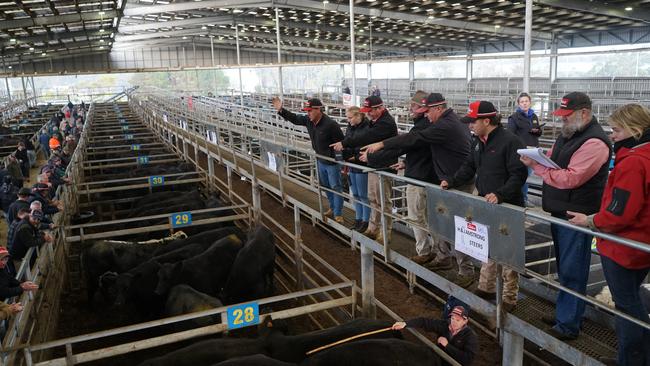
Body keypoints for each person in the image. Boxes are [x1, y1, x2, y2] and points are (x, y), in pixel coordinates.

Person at [520, 92, 611, 341]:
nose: (562, 122)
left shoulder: (595, 143)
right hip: (562, 211)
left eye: (566, 117)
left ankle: (569, 324)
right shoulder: (571, 134)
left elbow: (571, 178)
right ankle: (566, 315)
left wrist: (536, 166)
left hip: (577, 216)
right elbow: (556, 158)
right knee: (565, 268)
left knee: (573, 269)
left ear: (584, 113)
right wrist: (541, 157)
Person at [567, 104, 650, 365]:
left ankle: (633, 359)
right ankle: (631, 355)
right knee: (632, 300)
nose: (612, 135)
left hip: (624, 248)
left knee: (628, 309)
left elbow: (619, 214)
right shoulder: (644, 155)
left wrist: (590, 221)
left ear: (634, 130)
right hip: (642, 245)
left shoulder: (634, 162)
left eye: (616, 130)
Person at [362, 93, 474, 285]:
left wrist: (382, 144)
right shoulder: (449, 122)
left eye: (428, 111)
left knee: (457, 229)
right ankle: (444, 259)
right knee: (444, 225)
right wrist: (407, 163)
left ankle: (466, 271)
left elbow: (415, 138)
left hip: (457, 183)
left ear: (439, 108)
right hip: (450, 182)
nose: (427, 116)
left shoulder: (445, 125)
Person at [443, 101, 528, 312]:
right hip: (485, 202)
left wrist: (501, 194)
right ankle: (487, 285)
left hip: (507, 205)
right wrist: (452, 180)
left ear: (487, 121)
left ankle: (509, 296)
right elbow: (469, 166)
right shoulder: (478, 141)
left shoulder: (510, 142)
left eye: (473, 121)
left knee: (507, 252)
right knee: (487, 246)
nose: (470, 125)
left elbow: (519, 174)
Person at [365, 91, 439, 264]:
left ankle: (425, 251)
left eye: (414, 106)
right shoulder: (427, 126)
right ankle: (436, 252)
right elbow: (421, 151)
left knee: (417, 217)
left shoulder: (422, 127)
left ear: (423, 108)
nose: (410, 109)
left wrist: (374, 154)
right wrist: (407, 163)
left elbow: (405, 144)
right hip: (423, 175)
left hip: (420, 178)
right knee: (428, 218)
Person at [331, 96, 398, 243]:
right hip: (374, 165)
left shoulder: (385, 123)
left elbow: (366, 136)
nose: (368, 114)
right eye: (367, 111)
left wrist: (344, 143)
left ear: (379, 108)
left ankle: (385, 232)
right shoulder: (376, 121)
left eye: (371, 111)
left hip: (384, 166)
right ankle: (373, 228)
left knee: (383, 201)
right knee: (373, 199)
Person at [272, 97, 345, 223]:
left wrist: (339, 160)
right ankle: (333, 208)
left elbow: (341, 143)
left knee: (336, 186)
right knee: (326, 186)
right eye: (307, 111)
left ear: (318, 110)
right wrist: (281, 110)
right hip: (320, 159)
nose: (308, 113)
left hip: (331, 162)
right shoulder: (309, 121)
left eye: (310, 111)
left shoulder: (331, 124)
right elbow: (295, 119)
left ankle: (338, 213)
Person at [392, 305, 478, 365]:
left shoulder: (470, 336)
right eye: (452, 318)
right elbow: (424, 321)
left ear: (465, 321)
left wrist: (447, 345)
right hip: (437, 358)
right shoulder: (445, 325)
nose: (454, 322)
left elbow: (467, 359)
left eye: (458, 320)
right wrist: (405, 324)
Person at [507, 92, 542, 207]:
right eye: (522, 102)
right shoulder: (514, 117)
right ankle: (522, 199)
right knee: (523, 175)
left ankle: (524, 197)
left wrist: (537, 131)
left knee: (528, 175)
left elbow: (538, 133)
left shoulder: (534, 116)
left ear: (530, 102)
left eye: (526, 101)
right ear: (518, 104)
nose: (524, 103)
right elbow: (510, 135)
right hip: (523, 151)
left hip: (533, 150)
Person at [341, 106, 370, 232]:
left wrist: (355, 156)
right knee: (356, 194)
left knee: (363, 195)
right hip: (352, 164)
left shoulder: (367, 127)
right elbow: (347, 141)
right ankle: (358, 218)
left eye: (350, 117)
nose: (348, 120)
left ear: (359, 116)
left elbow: (364, 144)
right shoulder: (350, 127)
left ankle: (366, 220)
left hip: (361, 164)